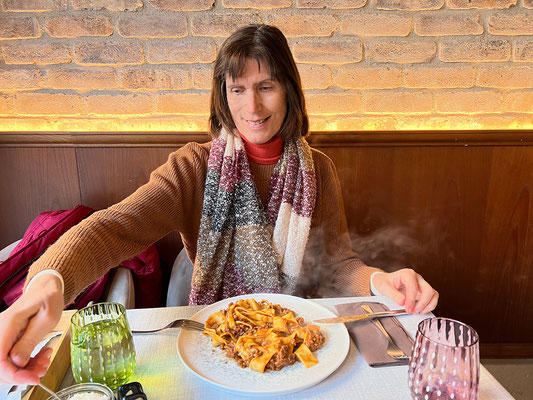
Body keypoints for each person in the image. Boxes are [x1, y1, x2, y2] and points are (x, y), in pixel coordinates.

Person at [0, 24, 438, 385]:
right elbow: (113, 227)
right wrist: (49, 282)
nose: (252, 106)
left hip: (298, 335)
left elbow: (339, 263)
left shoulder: (317, 169)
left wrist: (381, 281)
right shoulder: (194, 166)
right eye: (238, 88)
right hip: (215, 337)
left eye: (266, 86)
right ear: (223, 96)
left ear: (288, 90)